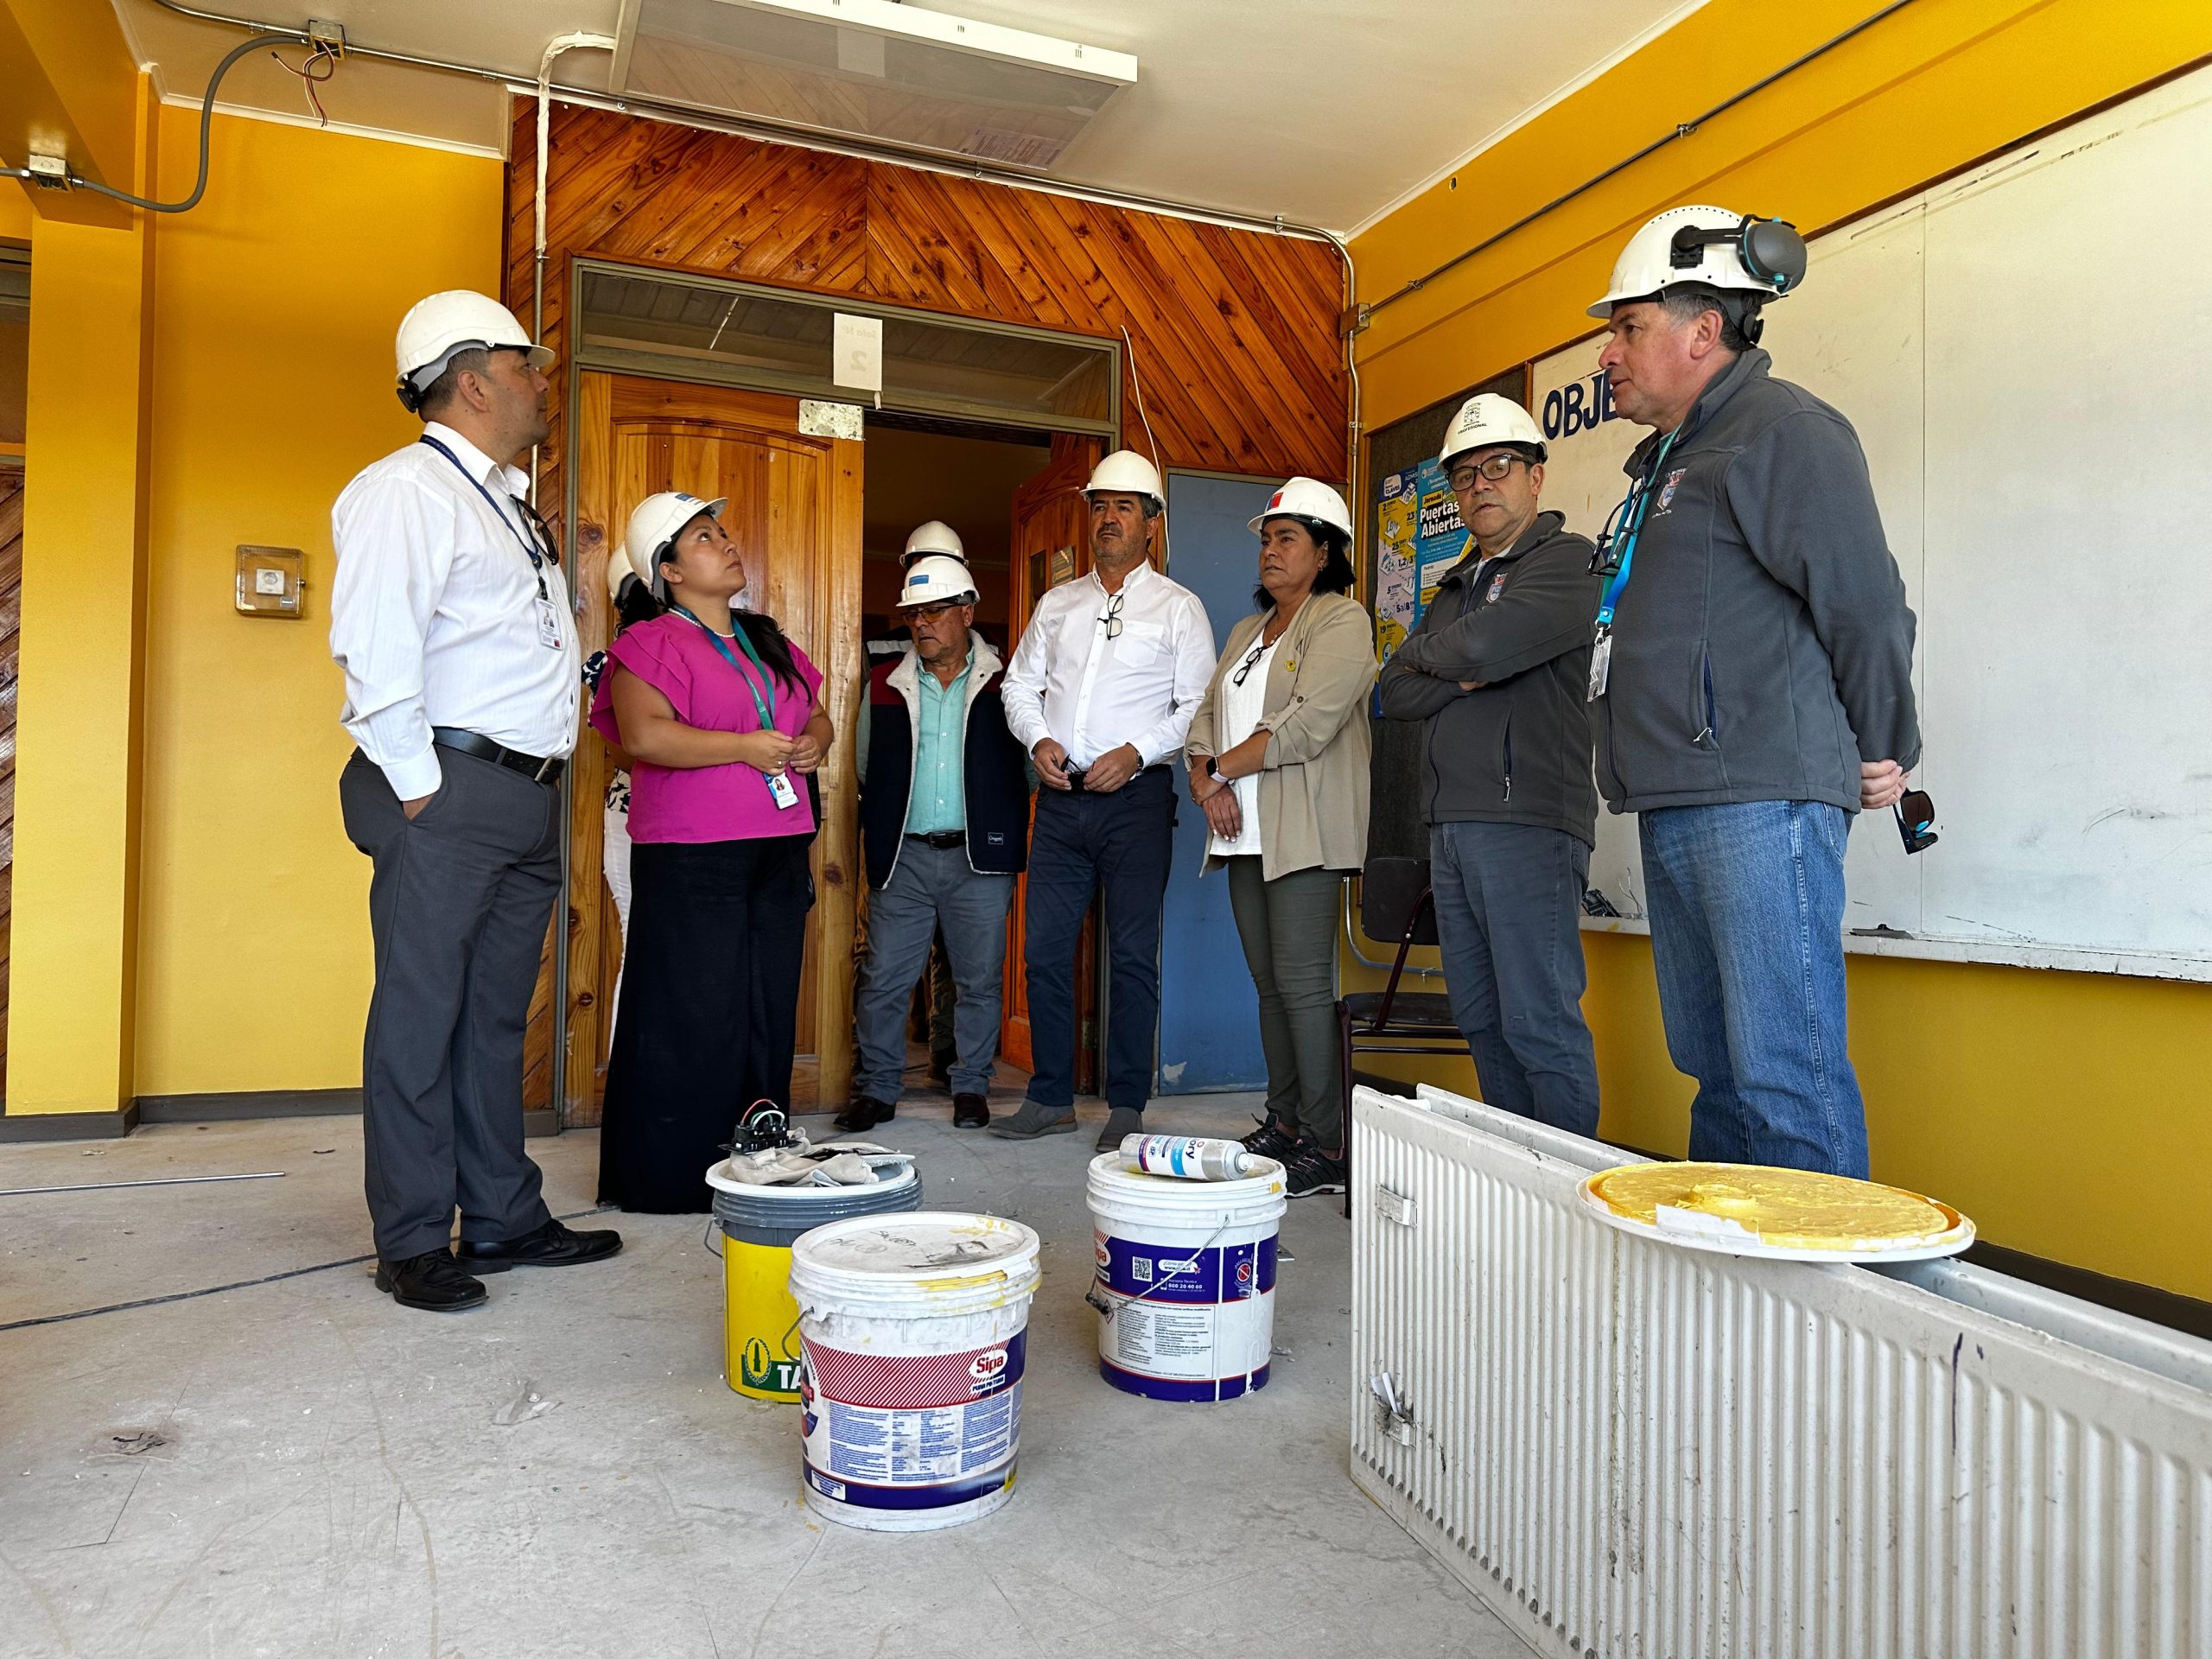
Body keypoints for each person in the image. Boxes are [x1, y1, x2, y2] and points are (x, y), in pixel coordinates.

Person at [1586, 204, 1920, 1177]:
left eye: (1628, 326)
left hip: (1759, 799)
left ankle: (1823, 1274)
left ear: (1703, 330)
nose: (1607, 354)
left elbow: (1865, 603)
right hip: (1681, 792)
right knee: (1719, 1073)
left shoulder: (1785, 432)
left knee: (1785, 1075)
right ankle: (1730, 1266)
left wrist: (1884, 743)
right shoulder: (1670, 459)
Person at [332, 289, 621, 1314]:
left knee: (494, 1020)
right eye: (524, 363)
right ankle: (413, 1238)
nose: (542, 380)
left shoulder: (500, 499)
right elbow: (375, 654)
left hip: (523, 795)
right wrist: (423, 793)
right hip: (450, 790)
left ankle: (501, 1215)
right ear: (472, 380)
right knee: (420, 1020)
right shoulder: (406, 491)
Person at [588, 491, 833, 1211]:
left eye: (722, 532)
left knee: (766, 1000)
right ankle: (671, 1175)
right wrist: (744, 748)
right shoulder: (647, 644)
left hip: (778, 845)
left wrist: (814, 741)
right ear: (667, 570)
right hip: (692, 851)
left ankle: (757, 1151)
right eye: (702, 537)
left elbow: (816, 712)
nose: (725, 543)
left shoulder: (766, 638)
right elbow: (645, 736)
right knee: (693, 1007)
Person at [1376, 394, 1605, 1137]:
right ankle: (1509, 1177)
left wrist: (1456, 657)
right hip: (1449, 826)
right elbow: (1394, 690)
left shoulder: (1569, 562)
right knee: (1479, 1016)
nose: (1480, 485)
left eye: (1498, 467)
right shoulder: (1454, 585)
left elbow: (1476, 648)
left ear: (1536, 477)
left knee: (1539, 1021)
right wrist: (1462, 668)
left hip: (1527, 822)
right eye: (1465, 474)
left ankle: (1562, 1183)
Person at [995, 450, 1216, 1150]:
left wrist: (1137, 753)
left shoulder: (1178, 608)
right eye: (1100, 507)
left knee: (1132, 956)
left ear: (1152, 523)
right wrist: (1038, 740)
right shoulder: (1058, 604)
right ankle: (1049, 1097)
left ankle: (1126, 1104)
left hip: (1137, 803)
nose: (1108, 518)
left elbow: (1197, 706)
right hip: (1061, 801)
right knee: (1043, 953)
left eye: (1124, 507)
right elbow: (1017, 686)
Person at [1185, 478, 1375, 1197]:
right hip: (1242, 834)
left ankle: (1328, 1145)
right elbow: (1205, 716)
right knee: (1269, 988)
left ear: (1324, 553)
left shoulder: (1342, 620)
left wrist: (1216, 773)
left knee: (1302, 988)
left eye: (1286, 538)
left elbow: (1306, 725)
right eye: (1266, 539)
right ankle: (1287, 1123)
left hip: (1305, 834)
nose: (1269, 550)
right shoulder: (1246, 631)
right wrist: (1205, 773)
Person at [839, 552, 1033, 1134]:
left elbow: (1026, 772)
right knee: (885, 978)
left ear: (967, 612)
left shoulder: (1009, 681)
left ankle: (971, 1086)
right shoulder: (884, 682)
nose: (921, 623)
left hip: (980, 858)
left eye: (934, 611)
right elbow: (865, 767)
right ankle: (877, 1089)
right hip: (905, 856)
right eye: (913, 614)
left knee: (980, 981)